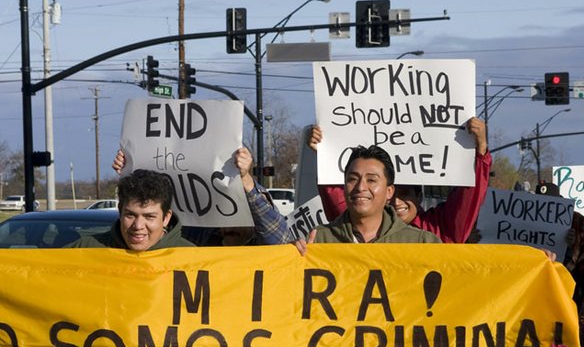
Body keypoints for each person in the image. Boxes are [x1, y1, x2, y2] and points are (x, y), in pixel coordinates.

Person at [309, 117, 491, 243]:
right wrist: (326, 154)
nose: (396, 201)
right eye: (394, 193)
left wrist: (481, 151)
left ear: (419, 197)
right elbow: (344, 196)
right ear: (387, 192)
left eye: (405, 193)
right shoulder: (350, 229)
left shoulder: (434, 233)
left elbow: (466, 202)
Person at [112, 147, 292, 246]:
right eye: (219, 213)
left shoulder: (264, 247)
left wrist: (245, 179)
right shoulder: (198, 239)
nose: (225, 226)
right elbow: (155, 234)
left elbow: (279, 238)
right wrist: (131, 170)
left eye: (232, 213)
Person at [295, 145, 440, 254]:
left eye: (371, 180)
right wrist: (291, 258)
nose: (360, 187)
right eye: (352, 179)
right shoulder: (319, 240)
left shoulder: (421, 243)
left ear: (389, 191)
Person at [69, 169, 194, 251]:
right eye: (130, 215)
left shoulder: (192, 257)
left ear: (166, 218)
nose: (138, 226)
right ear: (120, 211)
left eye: (149, 217)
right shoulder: (86, 249)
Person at [534, 181, 584, 309]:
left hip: (568, 283)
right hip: (533, 283)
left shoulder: (578, 222)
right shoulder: (527, 219)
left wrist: (574, 245)